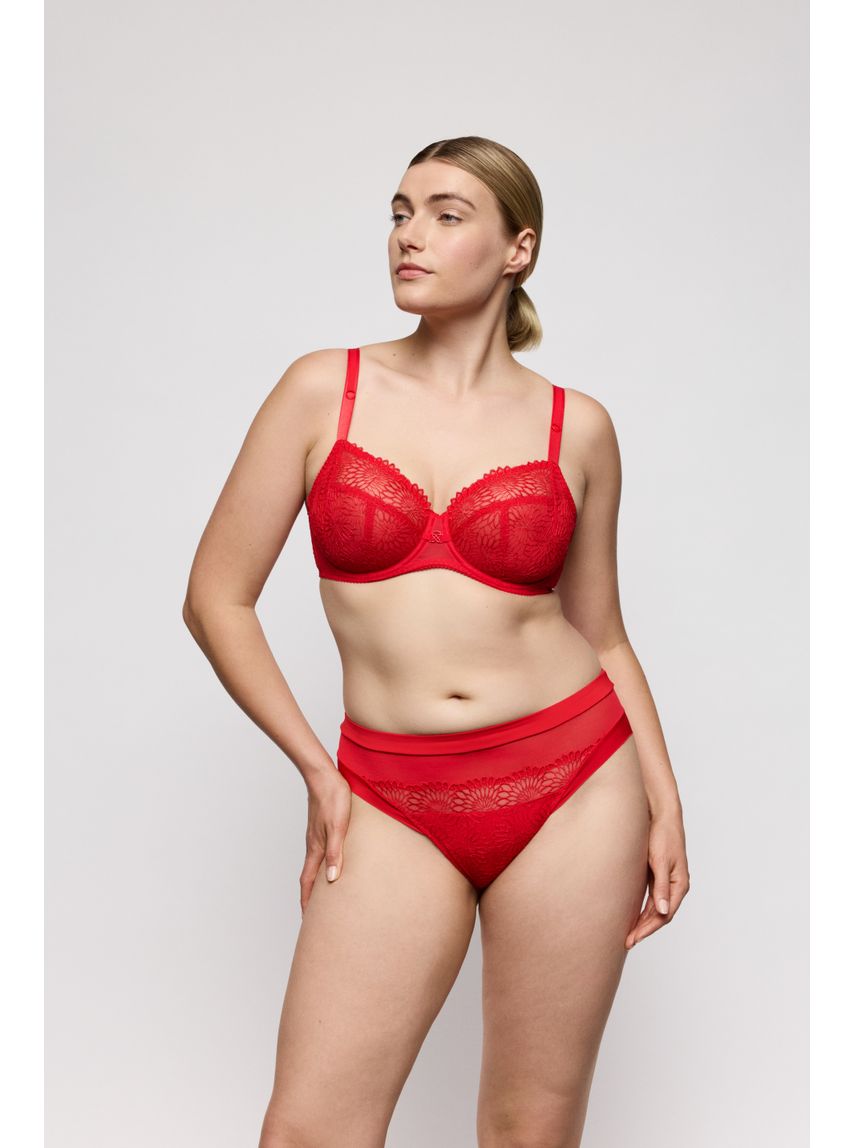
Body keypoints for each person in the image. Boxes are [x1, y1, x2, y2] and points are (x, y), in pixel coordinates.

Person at [182, 135, 690, 1148]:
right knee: (311, 1129)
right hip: (387, 790)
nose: (408, 235)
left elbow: (601, 632)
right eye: (400, 212)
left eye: (447, 215)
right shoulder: (323, 389)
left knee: (529, 1127)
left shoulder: (577, 426)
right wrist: (317, 769)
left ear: (518, 249)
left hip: (575, 783)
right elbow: (215, 599)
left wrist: (664, 800)